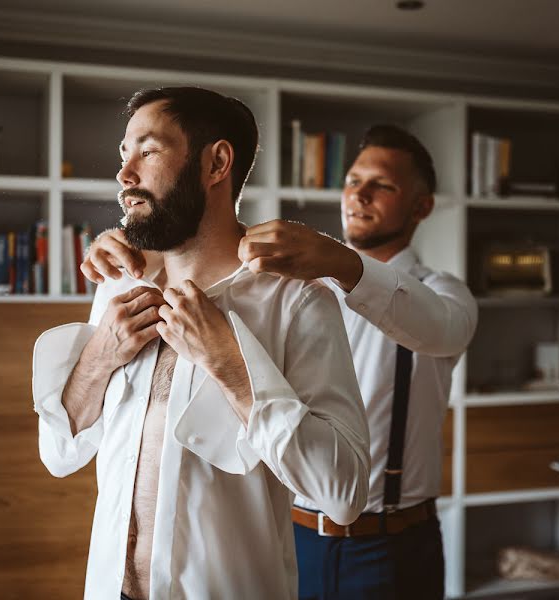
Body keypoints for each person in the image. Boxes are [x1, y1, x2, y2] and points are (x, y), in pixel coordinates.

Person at [83, 124, 478, 599]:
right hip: (288, 532)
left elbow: (439, 329)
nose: (360, 195)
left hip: (390, 542)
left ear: (422, 206)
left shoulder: (440, 293)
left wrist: (343, 263)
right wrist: (138, 247)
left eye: (383, 185)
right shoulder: (292, 286)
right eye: (353, 181)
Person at [32, 86, 370, 600]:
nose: (125, 176)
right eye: (124, 155)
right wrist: (100, 355)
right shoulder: (119, 287)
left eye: (147, 151)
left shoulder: (297, 303)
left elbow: (342, 494)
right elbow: (58, 453)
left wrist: (231, 364)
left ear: (216, 163)